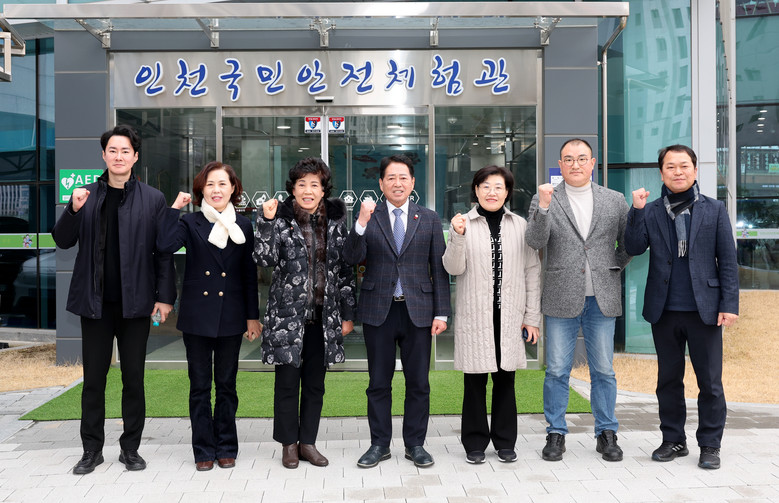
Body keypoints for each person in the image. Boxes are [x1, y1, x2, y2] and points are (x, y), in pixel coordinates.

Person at [52, 125, 176, 475]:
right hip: (95, 304)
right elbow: (62, 241)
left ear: (135, 157)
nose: (119, 156)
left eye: (125, 151)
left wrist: (164, 298)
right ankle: (91, 450)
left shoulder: (153, 199)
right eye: (113, 150)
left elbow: (163, 253)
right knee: (93, 380)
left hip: (136, 304)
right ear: (103, 155)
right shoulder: (85, 195)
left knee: (133, 378)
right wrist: (73, 210)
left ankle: (130, 449)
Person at [624, 145, 738, 470]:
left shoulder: (714, 209)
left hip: (706, 309)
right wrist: (636, 210)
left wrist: (729, 304)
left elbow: (728, 260)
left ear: (695, 170)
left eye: (684, 165)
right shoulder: (650, 210)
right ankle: (673, 439)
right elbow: (633, 247)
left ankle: (710, 445)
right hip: (664, 310)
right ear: (661, 173)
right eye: (671, 166)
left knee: (710, 383)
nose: (678, 172)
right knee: (668, 381)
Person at [525, 138, 631, 462]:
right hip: (560, 296)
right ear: (560, 164)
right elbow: (534, 241)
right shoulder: (545, 197)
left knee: (604, 371)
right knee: (557, 370)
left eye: (582, 158)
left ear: (593, 163)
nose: (575, 164)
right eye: (568, 159)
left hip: (602, 298)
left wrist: (612, 267)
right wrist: (544, 208)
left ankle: (606, 433)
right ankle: (555, 433)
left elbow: (629, 243)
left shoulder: (614, 200)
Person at [342, 154, 451, 469]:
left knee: (418, 383)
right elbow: (351, 258)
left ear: (413, 182)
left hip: (419, 311)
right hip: (379, 310)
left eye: (403, 177)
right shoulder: (369, 217)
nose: (397, 183)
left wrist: (442, 313)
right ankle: (379, 444)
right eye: (391, 177)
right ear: (381, 183)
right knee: (378, 382)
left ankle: (415, 444)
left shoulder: (429, 218)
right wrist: (360, 223)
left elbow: (438, 269)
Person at [157, 161, 261, 472]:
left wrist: (252, 317)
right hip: (197, 316)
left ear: (233, 189)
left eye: (222, 184)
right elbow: (164, 244)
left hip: (231, 315)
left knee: (227, 385)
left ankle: (226, 447)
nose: (216, 190)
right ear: (201, 190)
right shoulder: (190, 222)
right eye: (210, 184)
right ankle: (203, 449)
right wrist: (174, 209)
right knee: (200, 387)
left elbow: (249, 275)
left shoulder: (244, 226)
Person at [254, 157, 356, 469]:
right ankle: (289, 444)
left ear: (324, 190)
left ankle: (308, 443)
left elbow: (345, 271)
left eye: (314, 184)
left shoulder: (336, 223)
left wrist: (348, 313)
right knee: (287, 384)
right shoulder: (279, 219)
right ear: (293, 189)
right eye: (302, 184)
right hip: (288, 318)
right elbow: (263, 259)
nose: (308, 190)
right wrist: (266, 222)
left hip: (324, 319)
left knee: (315, 384)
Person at [442, 165, 541, 464]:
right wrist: (457, 236)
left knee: (505, 381)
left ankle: (504, 442)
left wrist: (532, 317)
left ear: (507, 192)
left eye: (498, 187)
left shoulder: (520, 225)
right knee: (474, 383)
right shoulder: (463, 223)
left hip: (509, 316)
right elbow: (453, 267)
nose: (492, 192)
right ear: (476, 190)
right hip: (476, 317)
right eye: (485, 186)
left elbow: (532, 271)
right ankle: (474, 443)